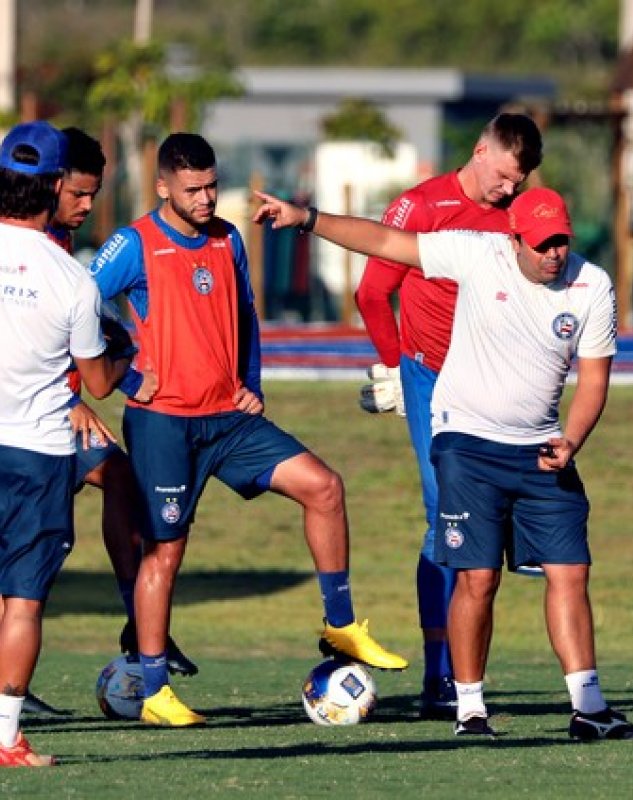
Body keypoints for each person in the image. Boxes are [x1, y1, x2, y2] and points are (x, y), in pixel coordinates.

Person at [254, 186, 633, 741]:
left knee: (571, 572)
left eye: (561, 241)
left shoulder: (593, 285)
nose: (554, 253)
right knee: (478, 578)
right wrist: (307, 219)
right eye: (541, 244)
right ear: (514, 239)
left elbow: (593, 378)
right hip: (467, 442)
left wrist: (573, 439)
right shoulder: (477, 253)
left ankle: (588, 708)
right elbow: (386, 240)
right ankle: (470, 710)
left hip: (541, 448)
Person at [88, 133, 408, 728]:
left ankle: (340, 626)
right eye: (193, 190)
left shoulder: (228, 238)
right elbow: (77, 306)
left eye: (212, 185)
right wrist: (126, 378)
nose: (207, 198)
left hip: (230, 421)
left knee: (325, 487)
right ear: (164, 188)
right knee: (166, 551)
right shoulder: (133, 244)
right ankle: (154, 689)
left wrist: (251, 382)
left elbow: (247, 315)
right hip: (164, 424)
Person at [353, 112, 543, 719]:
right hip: (430, 376)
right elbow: (370, 292)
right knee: (444, 512)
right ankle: (441, 678)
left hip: (497, 378)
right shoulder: (420, 206)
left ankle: (466, 673)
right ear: (482, 150)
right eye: (506, 177)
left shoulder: (518, 216)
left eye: (521, 181)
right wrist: (390, 369)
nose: (510, 191)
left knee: (495, 517)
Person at [0, 120, 134, 765]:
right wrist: (122, 343)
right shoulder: (71, 279)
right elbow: (102, 381)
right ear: (55, 186)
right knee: (22, 600)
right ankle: (5, 740)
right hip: (38, 452)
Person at [51, 127, 198, 679]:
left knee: (121, 479)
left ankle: (139, 622)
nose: (88, 206)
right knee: (31, 556)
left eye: (95, 194)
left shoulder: (60, 243)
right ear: (50, 183)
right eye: (79, 195)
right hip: (25, 416)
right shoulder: (20, 244)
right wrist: (70, 399)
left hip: (53, 407)